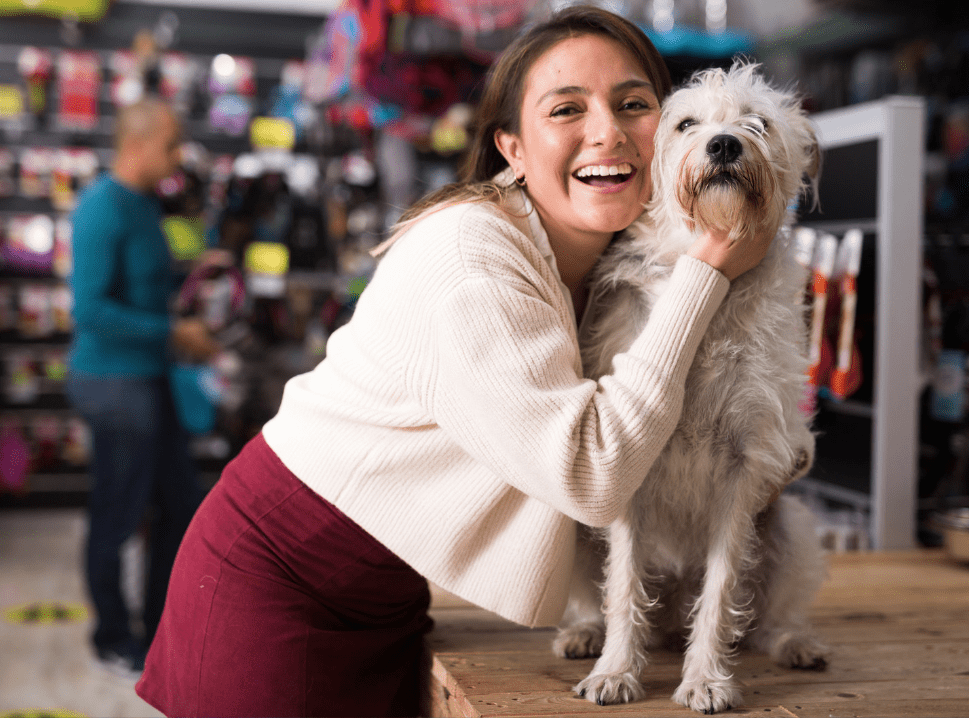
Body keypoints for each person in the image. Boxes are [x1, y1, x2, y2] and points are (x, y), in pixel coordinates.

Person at [137, 7, 778, 717]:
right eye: (567, 108)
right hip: (281, 584)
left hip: (389, 599)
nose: (609, 131)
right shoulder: (470, 259)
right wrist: (707, 270)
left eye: (634, 104)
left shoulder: (604, 260)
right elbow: (593, 474)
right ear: (513, 147)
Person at [66, 97, 219, 676]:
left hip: (148, 379)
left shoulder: (142, 205)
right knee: (118, 511)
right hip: (113, 382)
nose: (178, 157)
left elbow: (143, 287)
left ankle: (159, 630)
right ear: (136, 145)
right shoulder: (103, 208)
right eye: (170, 145)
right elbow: (90, 310)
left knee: (181, 506)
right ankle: (111, 635)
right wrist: (173, 333)